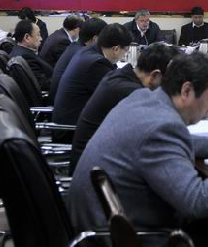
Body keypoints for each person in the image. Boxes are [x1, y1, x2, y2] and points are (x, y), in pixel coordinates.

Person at [67, 53, 208, 244]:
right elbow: (195, 200)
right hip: (128, 237)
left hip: (101, 223)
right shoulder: (162, 127)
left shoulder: (144, 97)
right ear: (186, 90)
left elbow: (168, 145)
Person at [70, 43, 178, 174]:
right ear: (155, 76)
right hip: (96, 173)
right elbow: (163, 138)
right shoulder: (133, 94)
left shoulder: (121, 76)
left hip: (90, 164)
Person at [52, 23, 132, 142]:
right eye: (126, 51)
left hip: (72, 121)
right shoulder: (96, 64)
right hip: (72, 131)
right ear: (116, 49)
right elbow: (119, 94)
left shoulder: (88, 51)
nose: (125, 55)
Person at [49, 17, 107, 102]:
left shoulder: (75, 48)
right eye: (105, 38)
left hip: (60, 101)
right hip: (69, 106)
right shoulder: (86, 56)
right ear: (95, 39)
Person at [10, 19, 53, 91]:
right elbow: (44, 85)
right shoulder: (26, 58)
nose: (41, 39)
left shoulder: (18, 50)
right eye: (38, 35)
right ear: (27, 37)